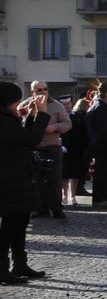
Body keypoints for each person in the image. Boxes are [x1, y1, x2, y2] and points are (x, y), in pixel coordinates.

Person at [0, 82, 49, 282]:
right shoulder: (3, 120)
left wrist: (31, 117)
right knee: (10, 224)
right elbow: (31, 140)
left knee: (20, 221)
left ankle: (20, 263)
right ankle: (2, 268)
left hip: (17, 177)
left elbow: (23, 137)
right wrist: (42, 115)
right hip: (9, 178)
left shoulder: (7, 118)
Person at [26, 81, 72, 219]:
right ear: (32, 91)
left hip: (52, 146)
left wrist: (55, 127)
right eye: (38, 90)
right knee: (36, 180)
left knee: (54, 180)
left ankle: (57, 208)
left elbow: (68, 124)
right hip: (33, 148)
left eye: (45, 89)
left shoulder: (57, 105)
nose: (42, 92)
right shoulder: (26, 105)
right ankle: (41, 209)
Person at [85, 88, 107, 205]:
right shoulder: (100, 108)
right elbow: (104, 130)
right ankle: (99, 198)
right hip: (102, 145)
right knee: (101, 173)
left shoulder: (101, 106)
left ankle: (105, 195)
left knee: (106, 172)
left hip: (102, 145)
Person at [63, 96, 90, 204]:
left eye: (68, 103)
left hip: (76, 149)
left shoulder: (77, 116)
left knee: (75, 174)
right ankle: (64, 195)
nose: (67, 106)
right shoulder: (59, 116)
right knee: (64, 175)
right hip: (64, 148)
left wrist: (84, 147)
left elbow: (84, 132)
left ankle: (72, 196)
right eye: (64, 104)